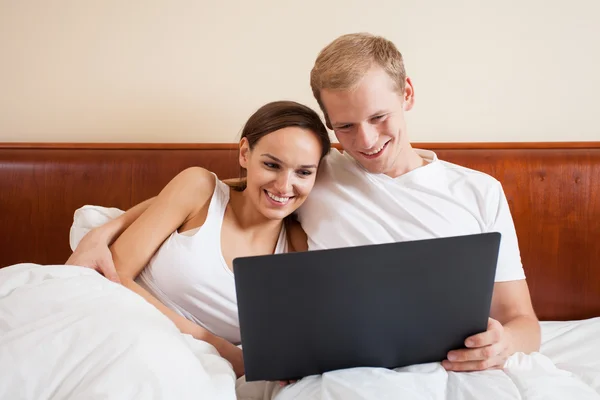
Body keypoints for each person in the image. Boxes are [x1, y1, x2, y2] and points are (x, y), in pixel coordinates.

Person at [68, 33, 540, 374]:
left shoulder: (479, 191)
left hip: (452, 366)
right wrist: (104, 231)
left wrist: (503, 343)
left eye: (379, 117)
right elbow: (225, 189)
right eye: (347, 127)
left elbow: (525, 321)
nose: (367, 141)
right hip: (356, 373)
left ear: (408, 95)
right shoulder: (316, 169)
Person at [67, 100, 332, 378]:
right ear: (245, 153)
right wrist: (212, 342)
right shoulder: (200, 189)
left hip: (195, 371)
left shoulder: (300, 248)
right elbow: (115, 274)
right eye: (271, 165)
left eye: (303, 172)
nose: (284, 186)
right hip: (121, 328)